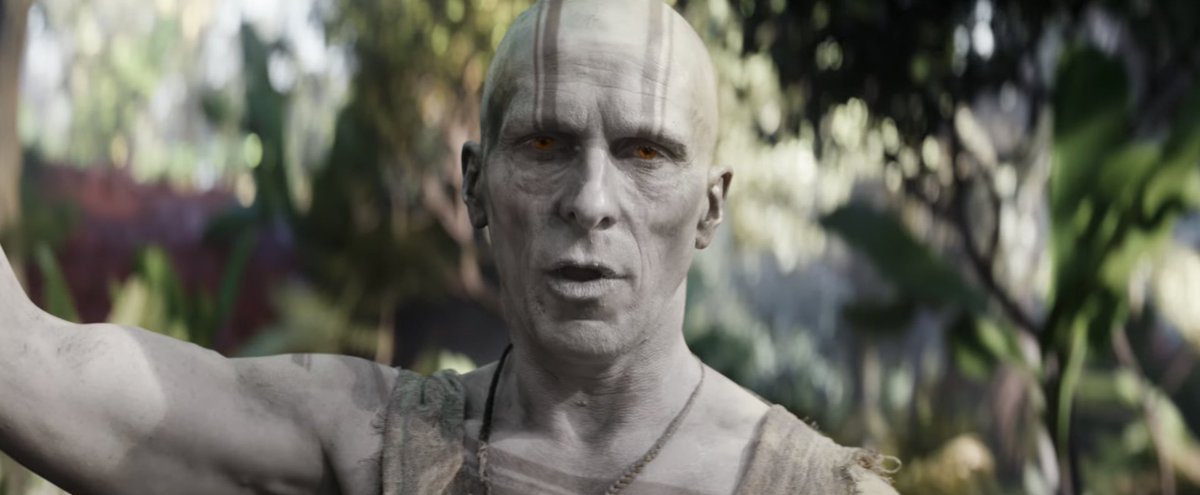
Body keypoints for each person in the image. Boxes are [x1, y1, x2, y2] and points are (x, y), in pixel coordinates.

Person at [0, 0, 899, 493]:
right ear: (475, 186)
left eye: (645, 153)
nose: (591, 201)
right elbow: (34, 368)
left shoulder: (816, 490)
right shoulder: (366, 441)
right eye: (543, 144)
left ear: (710, 207)